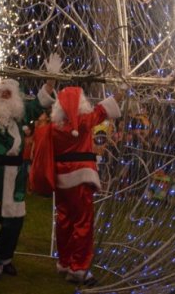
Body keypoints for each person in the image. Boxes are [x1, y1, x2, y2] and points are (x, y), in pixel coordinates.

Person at [0, 40, 58, 281]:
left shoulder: (21, 113)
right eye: (1, 90)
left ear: (15, 98)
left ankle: (5, 258)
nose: (5, 94)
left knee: (14, 221)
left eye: (9, 92)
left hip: (14, 177)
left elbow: (39, 103)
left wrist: (51, 80)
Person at [32, 85, 123, 286]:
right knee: (83, 223)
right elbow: (103, 109)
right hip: (81, 179)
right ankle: (78, 268)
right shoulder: (83, 122)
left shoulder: (54, 128)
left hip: (62, 181)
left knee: (64, 222)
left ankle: (65, 262)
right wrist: (121, 92)